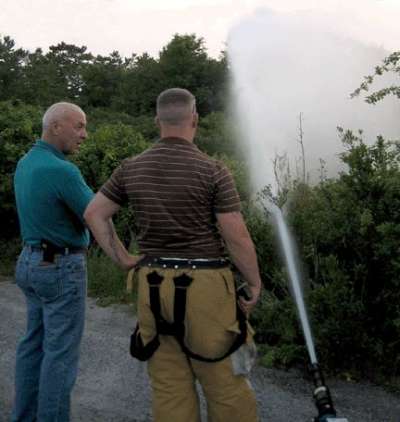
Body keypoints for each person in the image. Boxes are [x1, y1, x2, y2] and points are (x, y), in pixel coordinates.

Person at [84, 88, 262, 422]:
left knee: (169, 388)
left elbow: (94, 213)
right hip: (206, 288)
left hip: (152, 285)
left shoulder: (130, 168)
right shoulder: (213, 170)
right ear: (194, 119)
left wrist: (122, 258)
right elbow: (235, 234)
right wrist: (253, 282)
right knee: (226, 385)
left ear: (157, 121)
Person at [12, 102, 94, 422]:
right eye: (79, 126)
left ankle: (24, 417)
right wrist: (123, 255)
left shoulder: (26, 162)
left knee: (33, 346)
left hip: (30, 262)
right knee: (60, 355)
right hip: (60, 268)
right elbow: (95, 214)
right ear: (55, 126)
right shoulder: (63, 170)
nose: (84, 135)